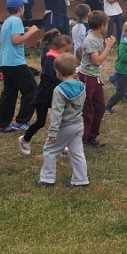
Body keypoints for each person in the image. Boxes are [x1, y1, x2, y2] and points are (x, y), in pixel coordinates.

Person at [35, 53, 89, 188]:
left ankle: (47, 179)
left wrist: (53, 131)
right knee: (77, 152)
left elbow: (57, 113)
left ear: (57, 73)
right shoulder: (82, 85)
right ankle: (81, 179)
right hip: (78, 124)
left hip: (65, 126)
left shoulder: (59, 90)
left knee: (50, 150)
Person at [18, 31, 73, 156]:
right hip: (44, 96)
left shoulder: (59, 58)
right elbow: (54, 77)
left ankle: (59, 145)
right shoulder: (50, 59)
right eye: (65, 51)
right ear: (55, 49)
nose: (68, 54)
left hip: (56, 96)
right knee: (41, 122)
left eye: (69, 51)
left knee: (60, 120)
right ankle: (25, 139)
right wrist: (68, 76)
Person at [0, 0, 41, 134]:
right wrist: (31, 32)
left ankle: (2, 125)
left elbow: (12, 38)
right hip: (16, 62)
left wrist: (24, 32)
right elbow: (16, 40)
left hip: (6, 61)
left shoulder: (8, 21)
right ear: (21, 8)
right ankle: (21, 121)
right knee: (32, 90)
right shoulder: (16, 20)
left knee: (9, 93)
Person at [77, 10, 116, 148]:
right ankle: (82, 140)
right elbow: (97, 61)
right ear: (102, 26)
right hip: (87, 78)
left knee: (99, 107)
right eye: (106, 24)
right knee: (88, 110)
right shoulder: (91, 40)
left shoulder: (98, 36)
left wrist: (105, 45)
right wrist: (109, 47)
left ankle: (91, 137)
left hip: (95, 77)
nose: (107, 27)